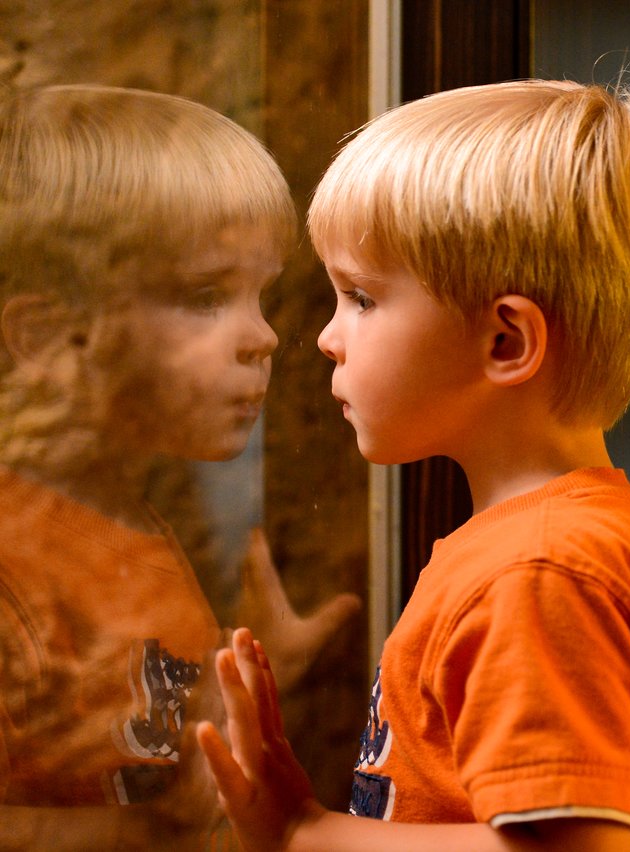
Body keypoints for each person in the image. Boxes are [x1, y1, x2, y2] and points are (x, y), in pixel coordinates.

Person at [197, 78, 630, 851]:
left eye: (361, 298)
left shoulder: (539, 572)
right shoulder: (546, 542)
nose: (326, 337)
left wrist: (303, 833)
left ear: (505, 342)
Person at [0, 84, 357, 848]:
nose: (262, 336)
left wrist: (253, 689)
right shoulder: (13, 562)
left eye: (259, 296)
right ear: (52, 338)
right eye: (204, 297)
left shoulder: (131, 521)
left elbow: (145, 738)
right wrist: (138, 830)